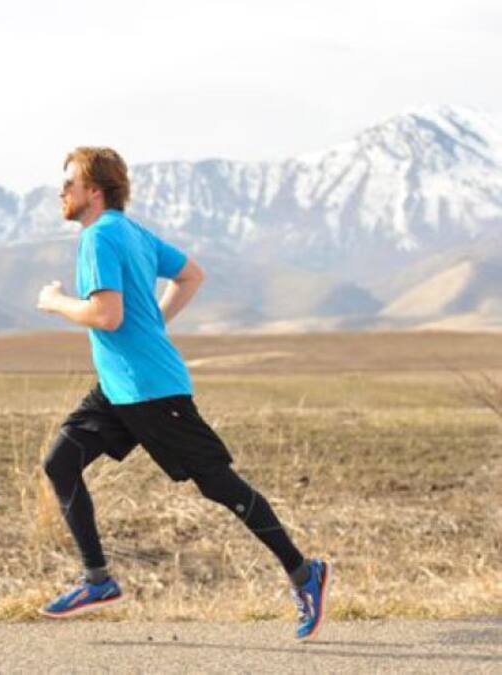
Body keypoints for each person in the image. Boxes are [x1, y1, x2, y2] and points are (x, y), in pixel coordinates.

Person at [34, 146, 331, 640]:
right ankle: (97, 580)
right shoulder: (131, 232)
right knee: (60, 462)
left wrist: (55, 301)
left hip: (151, 391)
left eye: (69, 182)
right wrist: (154, 326)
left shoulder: (98, 236)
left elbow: (107, 315)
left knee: (218, 484)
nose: (61, 190)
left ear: (94, 190)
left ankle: (305, 573)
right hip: (120, 388)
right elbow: (191, 274)